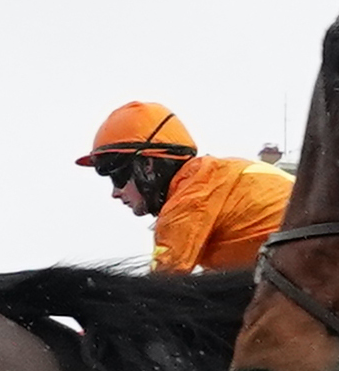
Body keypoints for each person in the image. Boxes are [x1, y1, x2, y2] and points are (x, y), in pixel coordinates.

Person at [82, 102, 294, 273]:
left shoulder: (187, 203)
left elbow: (157, 293)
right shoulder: (218, 175)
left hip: (307, 275)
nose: (115, 193)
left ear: (148, 165)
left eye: (117, 177)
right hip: (309, 268)